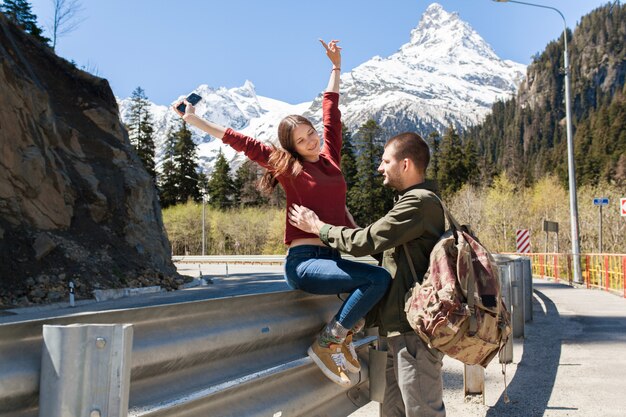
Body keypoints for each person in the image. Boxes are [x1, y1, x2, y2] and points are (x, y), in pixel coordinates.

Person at [173, 39, 391, 388]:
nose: (311, 141)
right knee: (378, 280)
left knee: (383, 276)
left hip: (332, 255)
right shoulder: (288, 166)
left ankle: (346, 334)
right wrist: (195, 120)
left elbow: (331, 111)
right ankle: (329, 341)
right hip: (305, 261)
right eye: (302, 140)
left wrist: (336, 67)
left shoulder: (330, 159)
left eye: (311, 134)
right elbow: (237, 139)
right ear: (290, 147)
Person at [288, 132, 446, 417]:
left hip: (413, 332)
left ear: (406, 164)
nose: (380, 167)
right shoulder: (411, 203)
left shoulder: (419, 203)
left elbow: (365, 242)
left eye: (386, 161)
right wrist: (348, 224)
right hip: (397, 327)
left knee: (422, 410)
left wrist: (319, 228)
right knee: (393, 410)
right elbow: (385, 253)